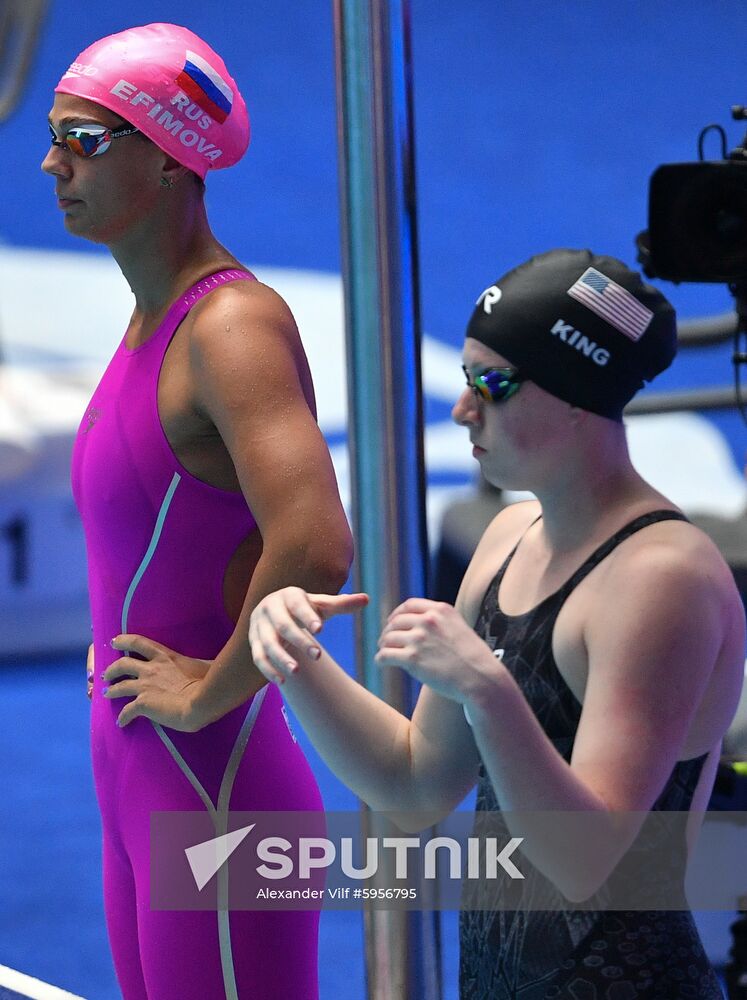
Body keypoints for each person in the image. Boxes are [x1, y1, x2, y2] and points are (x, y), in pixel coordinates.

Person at [249, 249, 746, 999]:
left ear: (577, 392)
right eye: (466, 379)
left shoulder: (660, 579)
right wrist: (297, 657)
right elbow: (412, 787)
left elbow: (587, 863)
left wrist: (486, 689)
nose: (462, 410)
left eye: (493, 384)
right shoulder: (508, 537)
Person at [42, 23, 352, 1000]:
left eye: (86, 140)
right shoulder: (150, 321)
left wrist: (208, 693)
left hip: (218, 790)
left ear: (171, 157)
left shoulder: (229, 326)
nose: (53, 163)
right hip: (142, 777)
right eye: (55, 136)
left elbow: (317, 542)